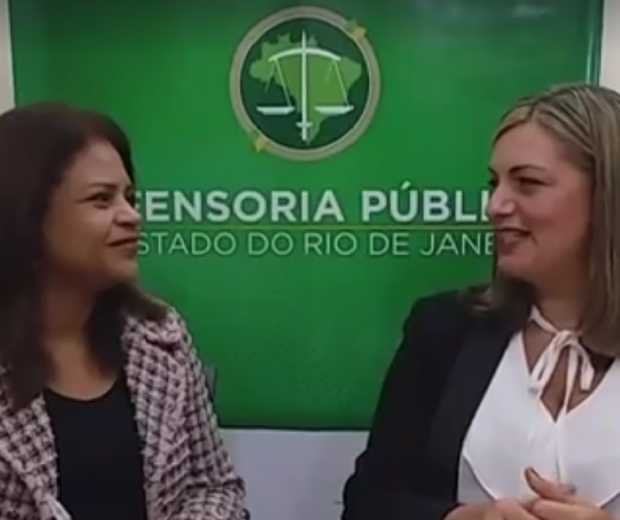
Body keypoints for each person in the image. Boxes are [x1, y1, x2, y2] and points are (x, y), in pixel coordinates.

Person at [342, 84, 620, 520]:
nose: (495, 205)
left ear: (607, 195)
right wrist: (463, 518)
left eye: (528, 183)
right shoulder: (444, 329)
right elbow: (368, 503)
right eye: (494, 183)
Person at [0, 103, 247, 520]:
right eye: (101, 200)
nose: (132, 216)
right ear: (28, 215)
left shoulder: (161, 335)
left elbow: (215, 486)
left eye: (130, 198)